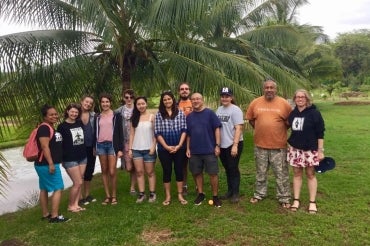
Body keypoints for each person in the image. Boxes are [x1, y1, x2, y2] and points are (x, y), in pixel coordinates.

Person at [245, 79, 292, 208]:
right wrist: (262, 129)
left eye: (272, 87)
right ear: (263, 89)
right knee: (260, 172)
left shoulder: (284, 104)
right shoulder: (255, 102)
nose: (269, 90)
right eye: (267, 87)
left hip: (279, 147)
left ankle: (284, 197)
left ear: (276, 89)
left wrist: (276, 130)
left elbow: (289, 123)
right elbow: (251, 120)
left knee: (281, 174)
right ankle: (259, 194)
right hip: (260, 146)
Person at [287, 89, 325, 214]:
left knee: (310, 174)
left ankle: (312, 202)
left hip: (310, 150)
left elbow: (320, 133)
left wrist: (320, 151)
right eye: (297, 97)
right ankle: (296, 200)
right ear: (295, 99)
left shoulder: (314, 113)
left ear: (307, 99)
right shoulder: (292, 114)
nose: (300, 99)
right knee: (297, 174)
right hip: (295, 149)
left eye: (302, 97)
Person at [34, 104, 70, 223]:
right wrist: (51, 164)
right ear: (45, 116)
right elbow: (45, 146)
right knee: (58, 188)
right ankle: (54, 217)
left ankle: (46, 214)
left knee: (44, 188)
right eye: (51, 114)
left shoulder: (49, 127)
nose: (55, 116)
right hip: (47, 164)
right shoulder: (44, 128)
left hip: (43, 164)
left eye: (55, 114)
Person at [186, 93, 222, 207]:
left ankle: (215, 196)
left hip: (209, 149)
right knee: (197, 173)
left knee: (213, 173)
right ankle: (201, 193)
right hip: (194, 150)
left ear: (202, 100)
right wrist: (187, 148)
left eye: (198, 99)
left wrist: (217, 145)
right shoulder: (189, 116)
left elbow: (217, 129)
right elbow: (188, 135)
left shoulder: (210, 113)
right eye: (193, 99)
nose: (195, 101)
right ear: (191, 101)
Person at [155, 91, 187, 206]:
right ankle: (168, 195)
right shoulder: (159, 114)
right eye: (164, 100)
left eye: (169, 99)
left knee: (179, 170)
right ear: (162, 102)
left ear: (173, 100)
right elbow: (157, 133)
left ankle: (180, 194)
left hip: (180, 148)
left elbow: (184, 130)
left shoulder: (180, 113)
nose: (167, 101)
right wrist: (167, 147)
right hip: (164, 149)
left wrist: (179, 145)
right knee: (167, 171)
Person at [94, 93, 124, 205]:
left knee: (112, 171)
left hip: (112, 146)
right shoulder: (97, 117)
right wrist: (94, 146)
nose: (105, 104)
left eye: (107, 102)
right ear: (100, 103)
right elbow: (95, 133)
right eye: (103, 102)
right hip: (101, 145)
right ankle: (107, 196)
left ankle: (114, 195)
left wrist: (120, 149)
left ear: (110, 103)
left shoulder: (117, 116)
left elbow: (121, 133)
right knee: (104, 170)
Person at [216, 87, 244, 203]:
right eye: (223, 96)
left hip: (233, 144)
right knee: (227, 168)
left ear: (231, 97)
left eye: (227, 96)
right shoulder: (219, 110)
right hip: (222, 145)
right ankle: (230, 191)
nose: (224, 98)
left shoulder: (235, 110)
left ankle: (236, 193)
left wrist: (235, 145)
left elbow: (239, 128)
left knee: (233, 168)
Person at [57, 103, 87, 212]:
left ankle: (76, 204)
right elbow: (59, 144)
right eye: (72, 111)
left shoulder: (79, 123)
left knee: (80, 181)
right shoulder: (61, 127)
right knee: (77, 182)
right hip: (70, 158)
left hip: (82, 156)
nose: (74, 114)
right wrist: (61, 158)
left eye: (76, 112)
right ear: (67, 112)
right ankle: (70, 206)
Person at [128, 96, 157, 203]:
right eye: (138, 104)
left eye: (143, 103)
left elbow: (156, 134)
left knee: (150, 172)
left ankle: (152, 193)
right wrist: (130, 149)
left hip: (149, 149)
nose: (141, 106)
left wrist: (153, 146)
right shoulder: (134, 118)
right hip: (136, 149)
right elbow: (131, 134)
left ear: (146, 104)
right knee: (139, 172)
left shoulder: (152, 117)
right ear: (136, 106)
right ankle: (141, 193)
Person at [115, 89, 137, 195]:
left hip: (137, 141)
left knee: (136, 165)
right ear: (123, 98)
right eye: (127, 97)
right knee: (129, 167)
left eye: (131, 97)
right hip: (124, 141)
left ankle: (133, 187)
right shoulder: (118, 111)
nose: (129, 99)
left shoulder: (138, 109)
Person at [79, 95, 97, 205]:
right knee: (79, 173)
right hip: (78, 148)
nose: (88, 104)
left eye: (90, 103)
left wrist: (95, 146)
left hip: (91, 147)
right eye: (86, 101)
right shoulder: (75, 114)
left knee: (89, 172)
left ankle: (87, 195)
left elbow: (97, 133)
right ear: (82, 101)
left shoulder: (94, 116)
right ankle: (80, 197)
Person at [177, 82, 193, 195]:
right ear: (179, 91)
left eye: (186, 89)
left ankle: (198, 186)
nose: (184, 90)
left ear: (189, 91)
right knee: (183, 164)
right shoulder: (175, 105)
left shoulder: (195, 102)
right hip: (181, 137)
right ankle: (184, 185)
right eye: (182, 89)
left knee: (196, 162)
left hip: (194, 136)